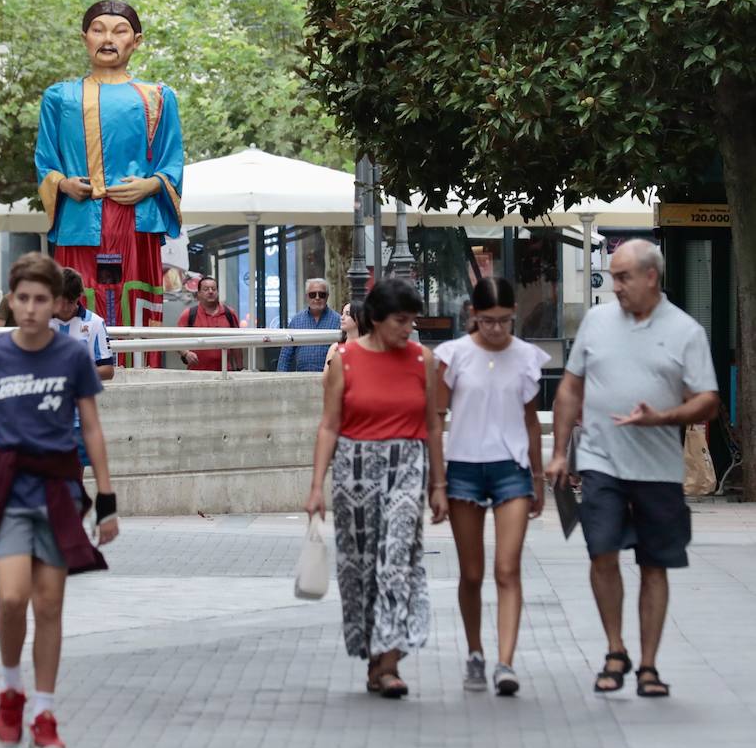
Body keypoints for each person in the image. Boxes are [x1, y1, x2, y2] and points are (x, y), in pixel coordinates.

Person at [0, 252, 120, 748]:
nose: (31, 308)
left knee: (49, 605)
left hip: (59, 489)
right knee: (11, 598)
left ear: (57, 305)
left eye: (41, 299)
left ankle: (44, 712)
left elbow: (90, 425)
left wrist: (107, 500)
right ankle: (10, 688)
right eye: (22, 298)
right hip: (8, 491)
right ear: (10, 300)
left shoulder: (71, 357)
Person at [546, 239, 718, 698]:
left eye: (622, 277)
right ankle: (614, 650)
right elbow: (569, 388)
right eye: (612, 275)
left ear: (651, 277)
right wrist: (561, 452)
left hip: (658, 470)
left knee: (653, 565)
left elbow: (708, 399)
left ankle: (648, 665)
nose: (614, 285)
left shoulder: (685, 331)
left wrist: (662, 417)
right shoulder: (598, 321)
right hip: (601, 461)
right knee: (601, 552)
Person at [305, 278, 448, 698]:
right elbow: (329, 424)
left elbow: (434, 424)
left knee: (398, 560)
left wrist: (439, 483)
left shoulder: (422, 360)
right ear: (378, 320)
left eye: (412, 320)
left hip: (406, 465)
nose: (409, 328)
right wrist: (317, 486)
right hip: (355, 469)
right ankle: (374, 654)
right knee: (362, 566)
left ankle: (389, 661)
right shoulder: (345, 361)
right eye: (401, 321)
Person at [35, 0, 184, 342]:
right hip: (78, 220)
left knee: (137, 304)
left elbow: (172, 161)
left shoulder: (158, 97)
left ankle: (139, 378)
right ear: (84, 37)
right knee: (74, 298)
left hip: (136, 221)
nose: (108, 39)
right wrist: (63, 183)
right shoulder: (59, 97)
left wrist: (151, 185)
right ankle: (73, 375)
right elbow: (45, 161)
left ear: (137, 40)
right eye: (98, 29)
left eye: (119, 31)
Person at [435, 277, 548, 696]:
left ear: (514, 315)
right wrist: (438, 479)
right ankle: (476, 651)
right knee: (471, 572)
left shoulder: (527, 358)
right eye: (487, 321)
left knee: (507, 568)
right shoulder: (454, 355)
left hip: (511, 467)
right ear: (472, 316)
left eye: (504, 320)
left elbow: (532, 421)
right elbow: (436, 418)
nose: (496, 329)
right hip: (464, 464)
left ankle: (506, 661)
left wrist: (537, 477)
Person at [50, 267, 114, 467]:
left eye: (72, 301)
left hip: (78, 419)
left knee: (73, 478)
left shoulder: (94, 323)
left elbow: (107, 370)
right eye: (62, 301)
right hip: (44, 416)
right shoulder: (41, 322)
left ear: (79, 297)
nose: (67, 307)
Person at [176, 276, 244, 371]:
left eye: (214, 289)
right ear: (199, 293)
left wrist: (240, 369)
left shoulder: (229, 313)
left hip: (225, 373)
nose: (211, 291)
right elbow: (177, 341)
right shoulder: (189, 314)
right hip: (197, 373)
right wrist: (186, 353)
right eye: (206, 289)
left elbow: (237, 344)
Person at [278, 278, 343, 372]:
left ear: (327, 296)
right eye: (312, 294)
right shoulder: (296, 321)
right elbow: (285, 355)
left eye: (322, 294)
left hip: (329, 378)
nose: (317, 298)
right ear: (307, 297)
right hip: (301, 379)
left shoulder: (338, 320)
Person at [321, 303, 359, 369]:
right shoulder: (334, 348)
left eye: (347, 314)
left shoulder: (367, 347)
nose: (342, 317)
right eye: (342, 313)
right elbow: (326, 377)